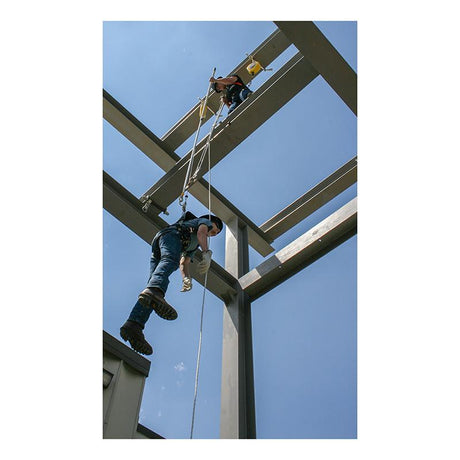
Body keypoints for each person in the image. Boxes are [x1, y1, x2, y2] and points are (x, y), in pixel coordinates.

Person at [120, 212, 224, 355]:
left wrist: (186, 278)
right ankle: (154, 292)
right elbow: (201, 233)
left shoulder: (193, 246)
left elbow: (184, 262)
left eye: (215, 234)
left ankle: (134, 325)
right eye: (215, 230)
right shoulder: (202, 222)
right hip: (171, 236)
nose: (213, 234)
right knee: (169, 262)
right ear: (210, 222)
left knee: (153, 286)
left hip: (162, 241)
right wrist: (207, 252)